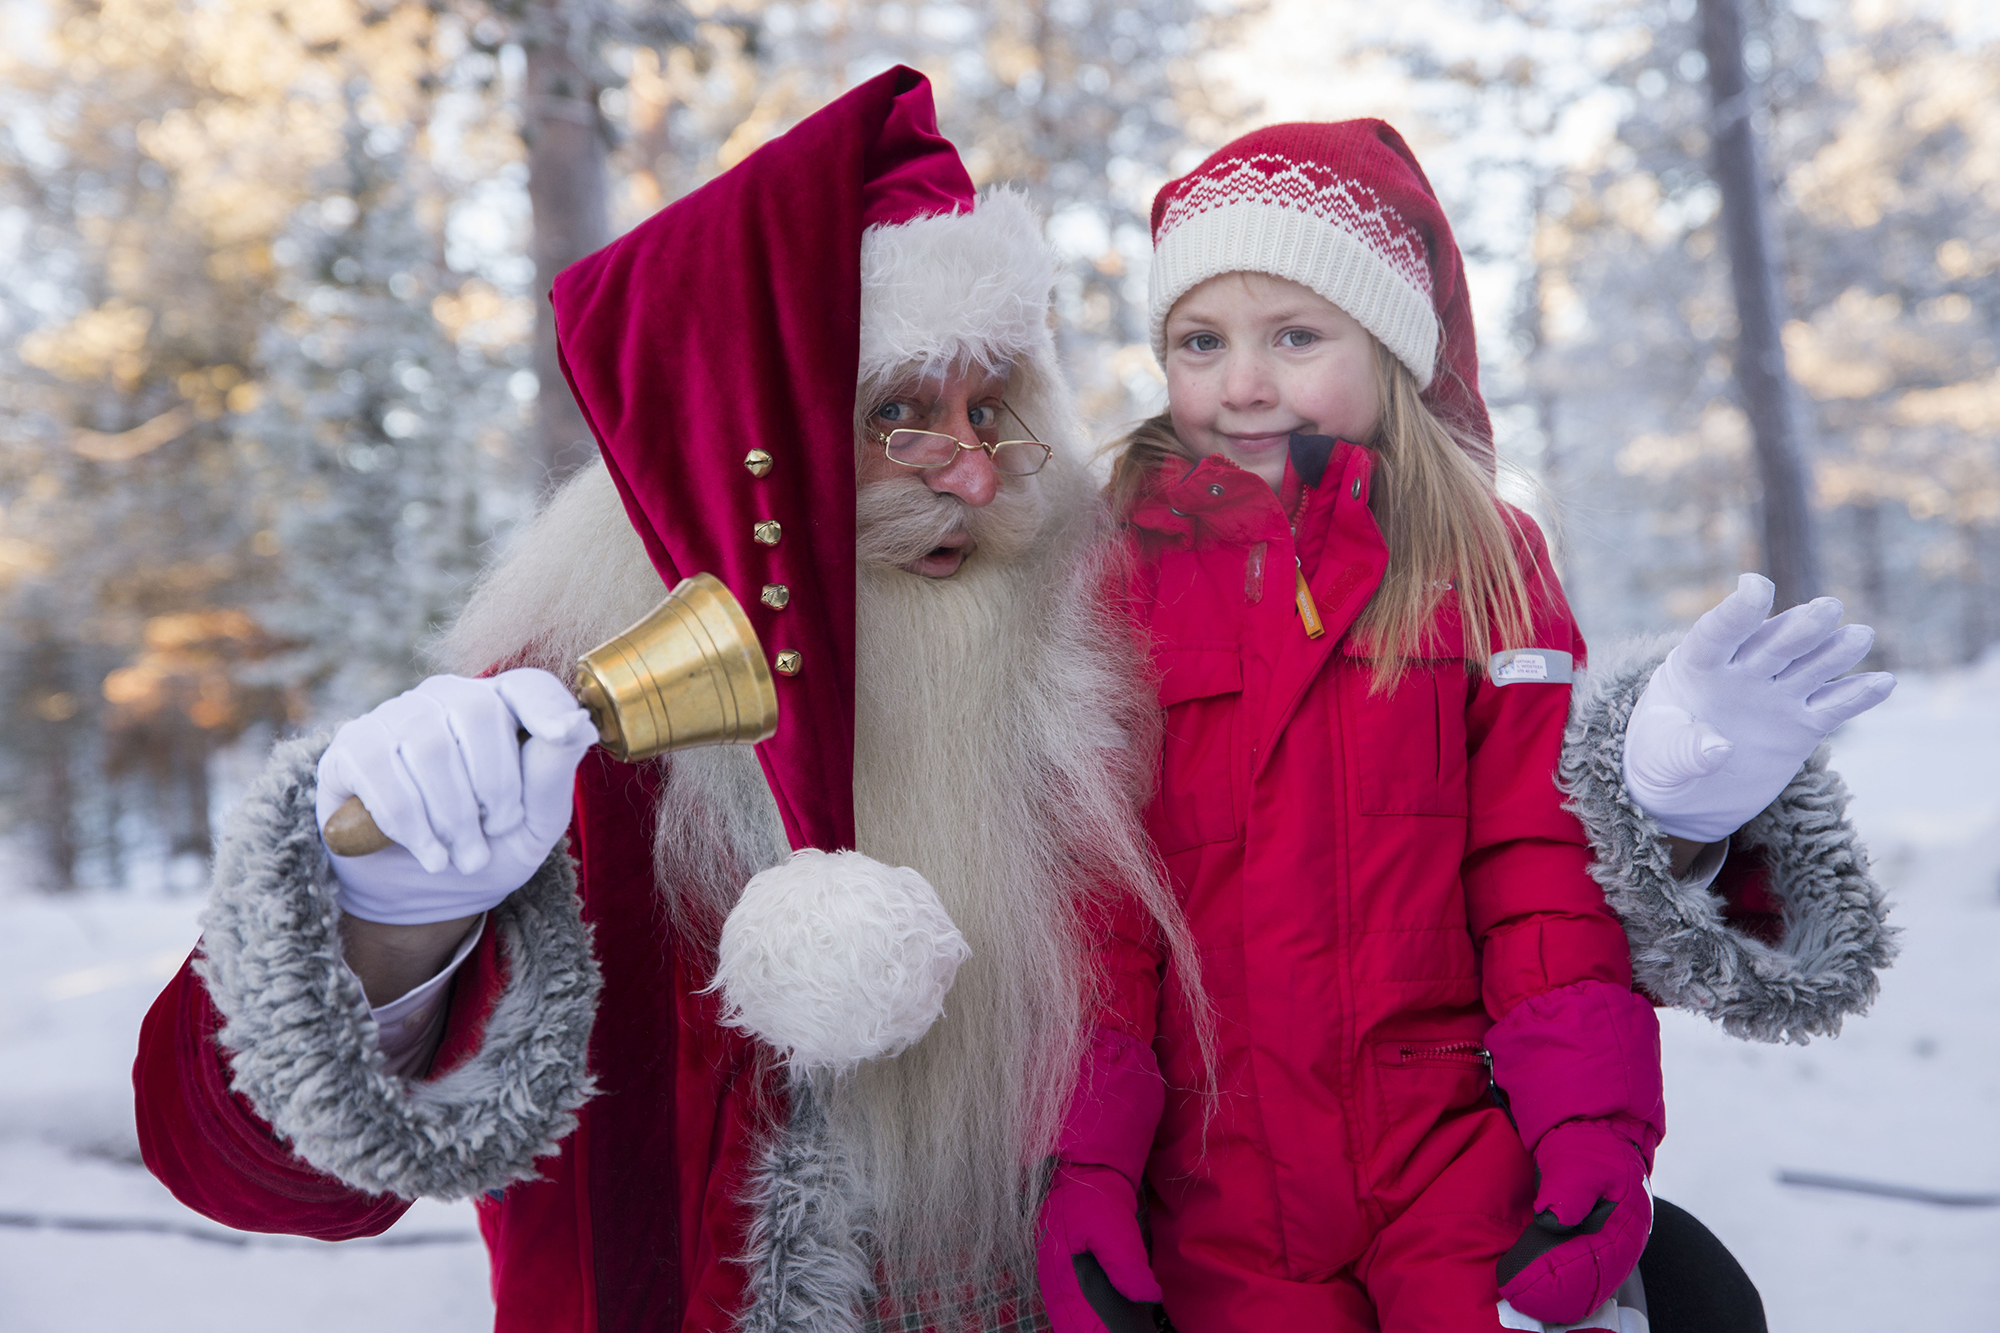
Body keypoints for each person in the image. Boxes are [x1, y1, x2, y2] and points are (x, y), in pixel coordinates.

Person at [135, 84, 1888, 1333]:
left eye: (1002, 399)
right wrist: (394, 913)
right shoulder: (567, 727)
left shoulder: (1100, 617)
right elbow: (246, 1158)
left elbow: (1392, 833)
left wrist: (1668, 798)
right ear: (746, 449)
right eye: (901, 412)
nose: (972, 467)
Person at [1030, 121, 1897, 1333]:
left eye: (1293, 335)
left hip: (1442, 1147)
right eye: (1199, 341)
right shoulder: (1114, 571)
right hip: (1210, 1166)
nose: (1240, 382)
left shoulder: (1482, 561)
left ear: (1384, 349)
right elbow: (1095, 906)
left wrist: (1586, 1125)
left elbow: (1536, 868)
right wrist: (1081, 1165)